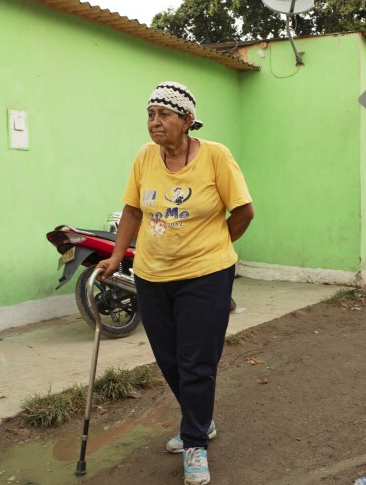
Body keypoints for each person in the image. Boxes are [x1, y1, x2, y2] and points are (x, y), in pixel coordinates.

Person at [97, 81, 254, 485]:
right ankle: (199, 421)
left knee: (196, 363)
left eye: (163, 115)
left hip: (206, 276)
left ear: (186, 120)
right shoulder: (145, 158)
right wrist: (117, 256)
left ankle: (194, 443)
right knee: (169, 360)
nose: (154, 123)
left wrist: (214, 245)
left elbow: (243, 212)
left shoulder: (216, 156)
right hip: (152, 275)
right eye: (150, 115)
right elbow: (132, 210)